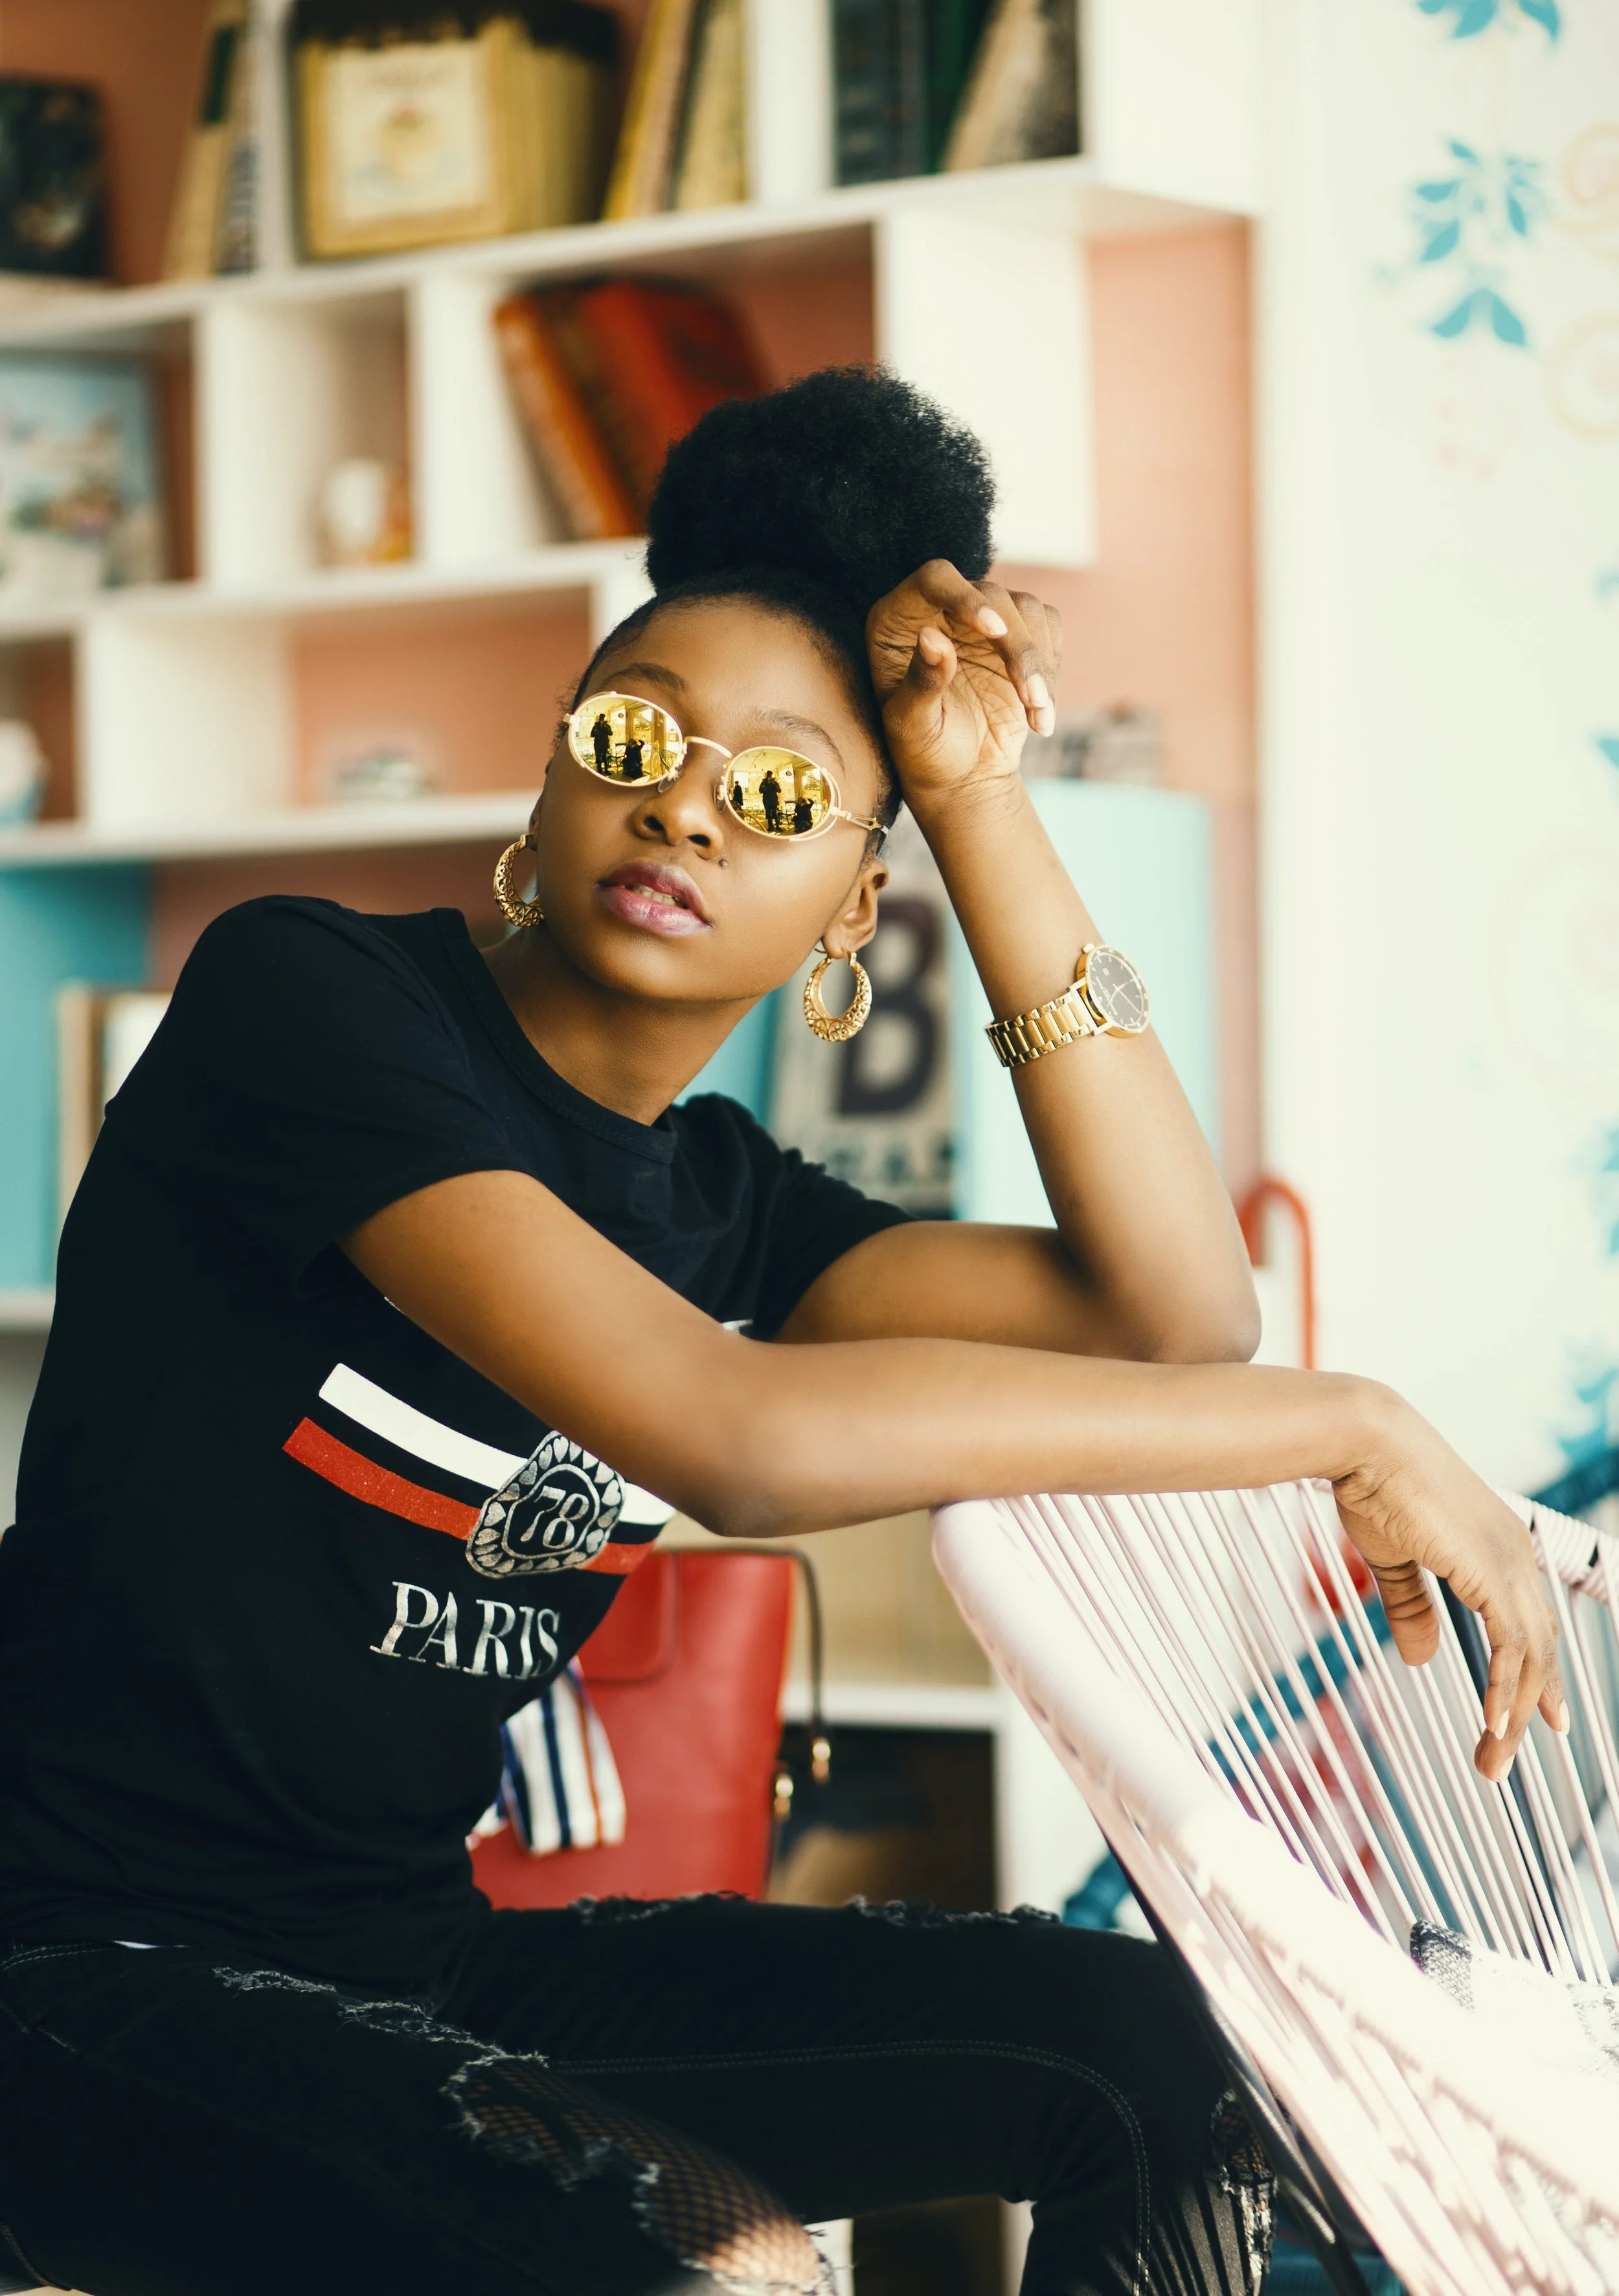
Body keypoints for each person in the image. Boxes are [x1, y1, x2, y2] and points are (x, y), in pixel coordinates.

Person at [0, 370, 1562, 2296]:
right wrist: (1353, 1420)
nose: (683, 802)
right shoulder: (307, 1001)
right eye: (635, 734)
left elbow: (1169, 1313)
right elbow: (727, 1428)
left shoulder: (735, 1204)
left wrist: (978, 796)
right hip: (70, 1971)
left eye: (777, 791)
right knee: (725, 2264)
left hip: (404, 1955)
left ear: (851, 904)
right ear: (553, 777)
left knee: (1175, 2059)